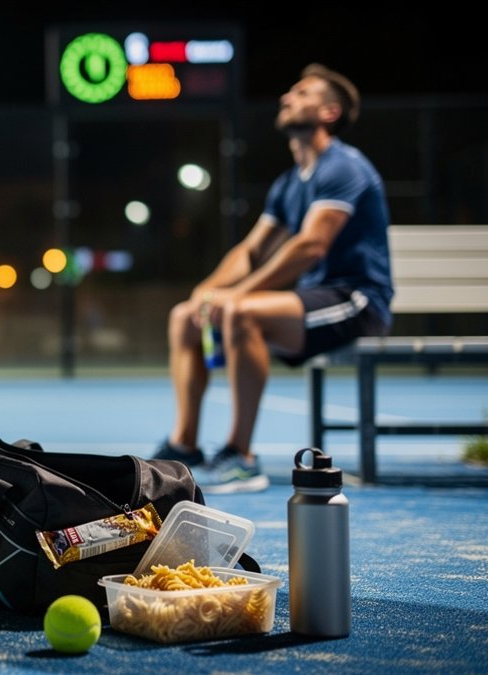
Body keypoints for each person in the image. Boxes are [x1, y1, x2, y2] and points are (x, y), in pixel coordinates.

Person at [152, 63, 392, 494]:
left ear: (329, 112)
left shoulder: (343, 167)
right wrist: (206, 292)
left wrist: (233, 297)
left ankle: (241, 458)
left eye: (302, 94)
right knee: (183, 316)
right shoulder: (288, 183)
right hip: (313, 300)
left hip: (356, 300)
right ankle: (183, 446)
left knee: (241, 312)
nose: (287, 98)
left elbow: (311, 246)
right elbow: (250, 251)